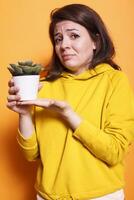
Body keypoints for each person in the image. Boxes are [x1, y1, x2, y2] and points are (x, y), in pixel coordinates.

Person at [7, 3, 134, 200]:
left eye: (73, 35)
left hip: (100, 197)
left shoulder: (114, 81)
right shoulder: (43, 85)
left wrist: (69, 115)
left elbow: (115, 152)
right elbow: (31, 155)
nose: (64, 44)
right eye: (58, 39)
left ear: (95, 41)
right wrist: (23, 114)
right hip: (47, 196)